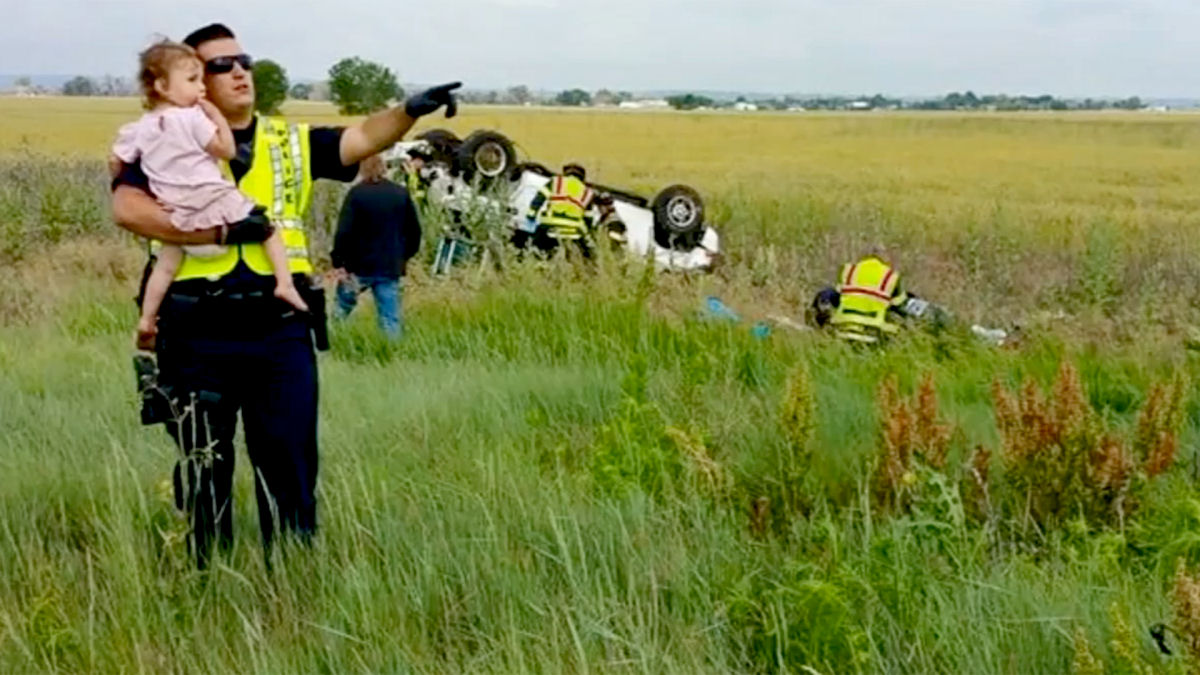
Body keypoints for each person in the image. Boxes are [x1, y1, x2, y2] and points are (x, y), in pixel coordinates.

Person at [110, 22, 460, 568]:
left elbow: (363, 138)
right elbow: (128, 209)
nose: (239, 71)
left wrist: (410, 110)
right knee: (203, 465)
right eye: (220, 65)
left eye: (243, 60)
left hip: (280, 327)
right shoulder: (163, 136)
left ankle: (292, 582)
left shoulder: (288, 141)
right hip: (197, 329)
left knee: (291, 462)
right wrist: (219, 234)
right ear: (193, 81)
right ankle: (205, 578)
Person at [112, 40, 307, 351]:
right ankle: (284, 285)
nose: (201, 88)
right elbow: (226, 150)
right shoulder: (192, 119)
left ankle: (147, 319)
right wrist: (216, 117)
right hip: (212, 201)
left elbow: (117, 162)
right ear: (163, 86)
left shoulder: (139, 128)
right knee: (267, 229)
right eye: (192, 80)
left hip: (178, 214)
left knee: (165, 267)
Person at [330, 154, 422, 338]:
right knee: (390, 317)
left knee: (341, 309)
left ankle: (330, 344)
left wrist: (338, 261)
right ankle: (390, 354)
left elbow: (344, 232)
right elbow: (414, 231)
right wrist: (404, 256)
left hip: (357, 266)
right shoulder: (400, 193)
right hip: (389, 265)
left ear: (362, 169)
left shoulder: (356, 194)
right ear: (384, 168)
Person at [518, 162, 596, 258]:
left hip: (550, 226)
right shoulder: (587, 192)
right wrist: (587, 236)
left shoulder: (556, 182)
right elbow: (588, 218)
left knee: (535, 251)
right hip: (572, 233)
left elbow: (539, 199)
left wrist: (531, 215)